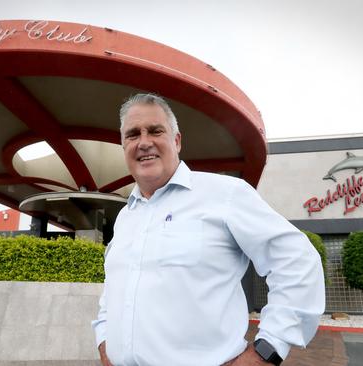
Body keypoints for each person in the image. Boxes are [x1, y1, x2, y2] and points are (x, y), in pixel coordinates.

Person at [92, 93, 325, 366]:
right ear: (124, 146)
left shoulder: (225, 195)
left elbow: (298, 261)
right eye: (133, 135)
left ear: (176, 141)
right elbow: (114, 290)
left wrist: (268, 350)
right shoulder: (125, 217)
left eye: (155, 131)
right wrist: (105, 343)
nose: (144, 142)